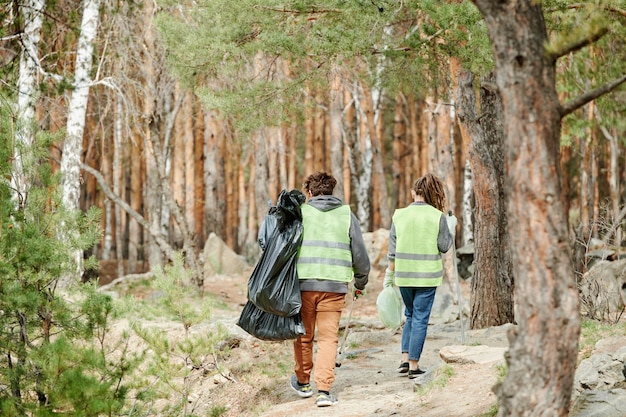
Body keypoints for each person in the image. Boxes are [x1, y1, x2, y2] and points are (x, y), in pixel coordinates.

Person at [289, 171, 370, 407]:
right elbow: (360, 254)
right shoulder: (346, 214)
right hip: (334, 287)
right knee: (327, 339)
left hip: (303, 286)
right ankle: (323, 391)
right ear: (331, 191)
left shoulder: (301, 213)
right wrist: (360, 282)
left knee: (304, 335)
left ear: (310, 192)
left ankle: (303, 382)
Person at [384, 173, 455, 379]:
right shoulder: (437, 217)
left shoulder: (399, 215)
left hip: (404, 276)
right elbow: (444, 247)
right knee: (421, 319)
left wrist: (389, 276)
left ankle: (405, 360)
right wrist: (450, 228)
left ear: (413, 193)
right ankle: (414, 366)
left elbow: (392, 249)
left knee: (410, 315)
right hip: (426, 277)